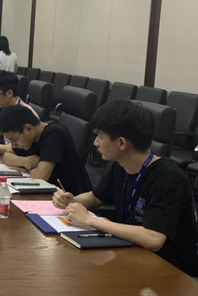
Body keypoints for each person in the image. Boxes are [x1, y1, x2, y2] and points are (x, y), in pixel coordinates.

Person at [52, 100, 198, 276]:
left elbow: (153, 238)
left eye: (100, 136)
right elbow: (95, 197)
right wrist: (72, 201)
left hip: (170, 270)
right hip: (133, 251)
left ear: (121, 143)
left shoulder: (167, 177)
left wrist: (90, 220)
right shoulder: (120, 164)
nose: (95, 143)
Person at [0, 104, 91, 195]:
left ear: (28, 128)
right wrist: (24, 161)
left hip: (72, 198)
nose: (13, 145)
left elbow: (40, 178)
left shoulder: (55, 135)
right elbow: (6, 156)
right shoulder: (28, 139)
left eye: (14, 139)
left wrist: (28, 168)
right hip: (49, 194)